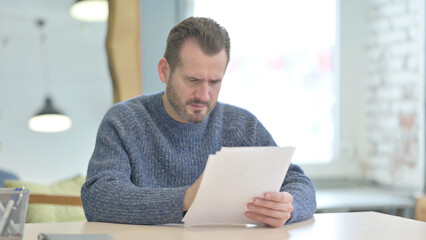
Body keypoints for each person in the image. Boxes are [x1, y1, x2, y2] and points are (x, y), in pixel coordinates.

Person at [81, 17, 316, 227]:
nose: (204, 95)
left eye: (214, 82)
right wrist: (189, 198)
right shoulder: (124, 121)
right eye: (192, 80)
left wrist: (288, 207)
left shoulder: (242, 125)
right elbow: (98, 198)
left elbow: (300, 183)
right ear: (164, 71)